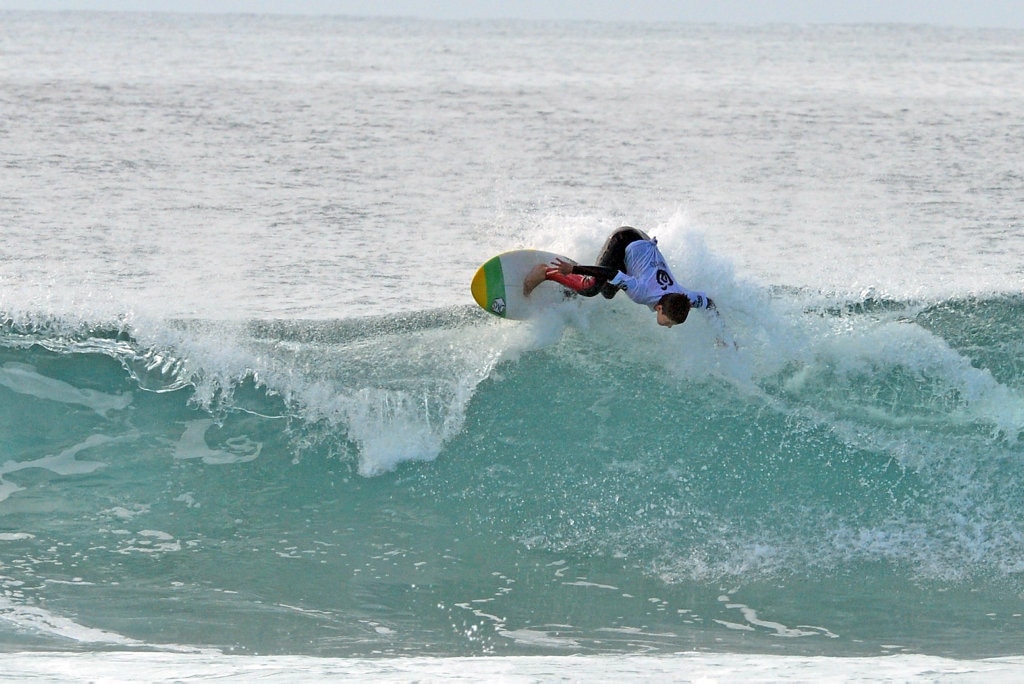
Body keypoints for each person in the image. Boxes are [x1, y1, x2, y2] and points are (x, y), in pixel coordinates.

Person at [523, 227, 715, 328]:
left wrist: (723, 337)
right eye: (669, 322)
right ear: (659, 307)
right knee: (591, 289)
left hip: (640, 250)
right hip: (623, 240)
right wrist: (573, 268)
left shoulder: (685, 298)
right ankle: (546, 272)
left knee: (607, 292)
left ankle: (571, 288)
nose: (669, 326)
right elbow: (610, 273)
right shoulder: (642, 292)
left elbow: (710, 304)